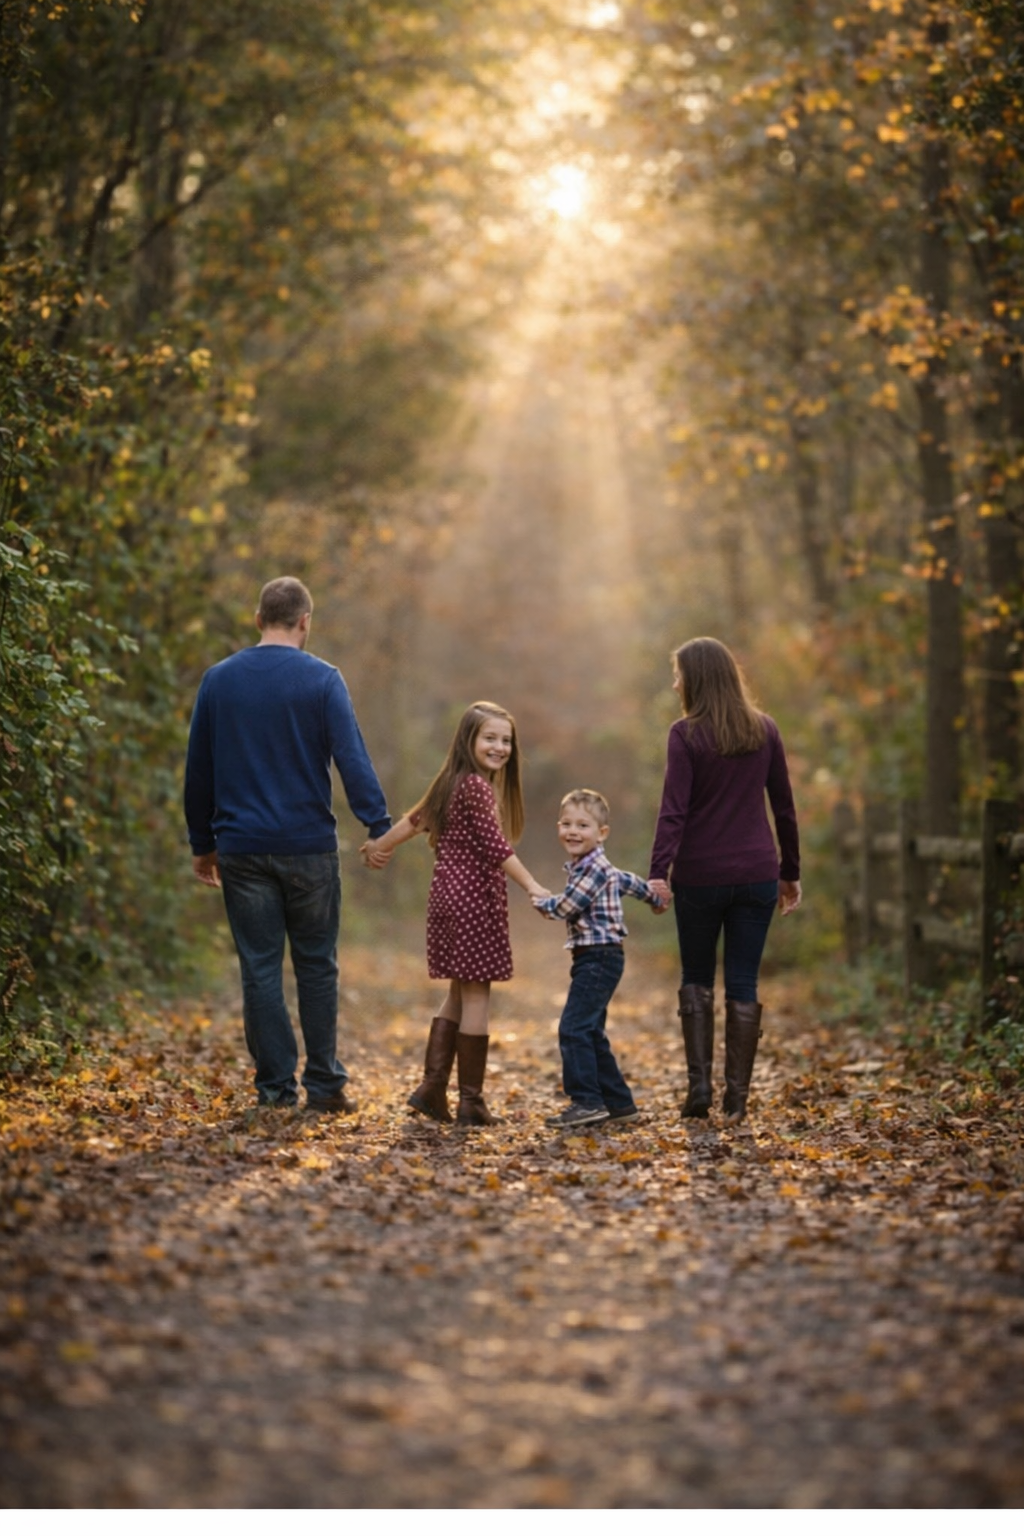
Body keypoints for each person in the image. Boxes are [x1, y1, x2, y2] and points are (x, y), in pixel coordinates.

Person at [184, 577, 391, 1112]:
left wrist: (202, 843)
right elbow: (351, 758)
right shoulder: (323, 679)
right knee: (317, 965)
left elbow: (199, 769)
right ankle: (324, 1086)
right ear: (305, 622)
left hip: (242, 848)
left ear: (258, 619)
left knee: (260, 969)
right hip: (309, 849)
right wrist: (377, 825)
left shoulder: (218, 681)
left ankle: (276, 1089)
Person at [360, 702, 549, 1126]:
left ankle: (431, 1089)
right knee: (477, 993)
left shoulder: (452, 781)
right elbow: (495, 847)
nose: (500, 747)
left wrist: (379, 846)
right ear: (468, 739)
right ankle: (471, 1101)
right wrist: (533, 885)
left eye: (506, 740)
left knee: (459, 992)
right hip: (472, 900)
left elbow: (414, 822)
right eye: (490, 738)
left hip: (446, 897)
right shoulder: (477, 787)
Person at [648, 637, 802, 1125]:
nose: (675, 684)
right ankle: (736, 1100)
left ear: (697, 678)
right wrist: (790, 872)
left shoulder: (685, 735)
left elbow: (673, 811)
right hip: (757, 874)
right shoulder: (765, 730)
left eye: (678, 675)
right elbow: (784, 808)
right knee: (743, 981)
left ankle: (699, 1088)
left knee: (696, 977)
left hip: (700, 877)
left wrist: (658, 873)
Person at [534, 789, 668, 1130]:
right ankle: (619, 1104)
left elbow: (568, 906)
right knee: (591, 1030)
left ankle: (587, 1102)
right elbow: (629, 881)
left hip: (599, 958)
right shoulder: (596, 867)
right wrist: (654, 897)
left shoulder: (592, 869)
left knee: (573, 1027)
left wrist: (543, 902)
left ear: (602, 832)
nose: (573, 831)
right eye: (566, 824)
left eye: (583, 825)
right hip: (595, 958)